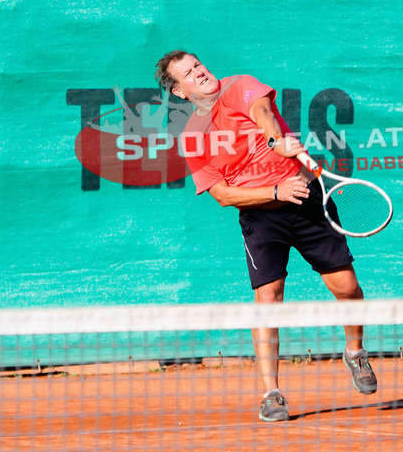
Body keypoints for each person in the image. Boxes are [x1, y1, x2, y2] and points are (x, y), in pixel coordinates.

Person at [155, 50, 377, 422]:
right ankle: (271, 394)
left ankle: (355, 353)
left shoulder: (240, 85)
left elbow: (263, 114)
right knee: (268, 298)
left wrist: (275, 142)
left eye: (198, 65)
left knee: (347, 287)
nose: (199, 73)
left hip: (306, 198)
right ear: (179, 91)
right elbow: (223, 195)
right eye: (188, 74)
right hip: (261, 215)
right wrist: (274, 192)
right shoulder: (193, 137)